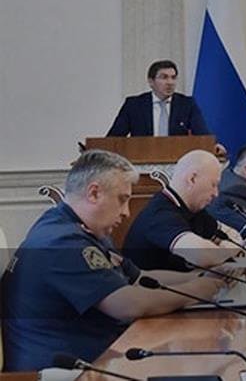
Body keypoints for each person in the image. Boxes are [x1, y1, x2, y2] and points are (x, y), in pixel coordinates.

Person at [2, 150, 226, 372]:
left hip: (97, 355)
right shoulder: (61, 242)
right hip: (62, 371)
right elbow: (127, 305)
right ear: (94, 193)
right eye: (122, 200)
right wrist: (199, 290)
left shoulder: (82, 230)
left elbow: (139, 277)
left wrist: (202, 278)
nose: (126, 212)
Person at [122, 150, 242, 271]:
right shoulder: (160, 214)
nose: (216, 194)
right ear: (192, 179)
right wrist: (228, 254)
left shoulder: (193, 209)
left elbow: (233, 236)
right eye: (213, 185)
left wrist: (224, 252)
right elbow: (203, 255)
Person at [106, 59, 227, 156]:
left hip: (177, 161)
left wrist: (213, 146)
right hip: (142, 160)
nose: (170, 82)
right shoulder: (134, 105)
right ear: (151, 81)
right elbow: (113, 139)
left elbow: (202, 134)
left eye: (173, 77)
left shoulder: (186, 104)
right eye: (164, 77)